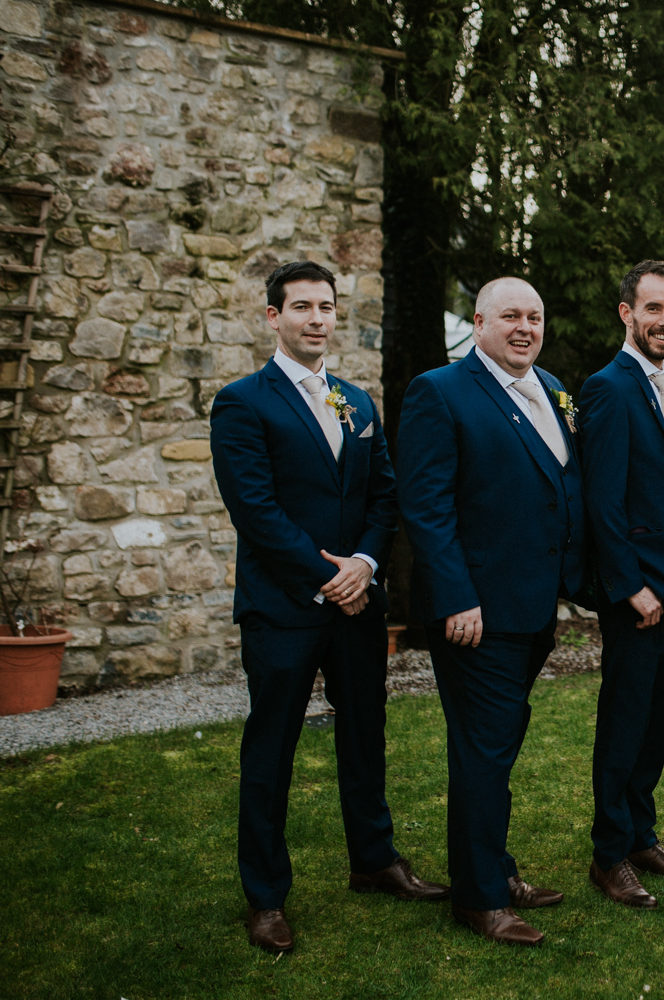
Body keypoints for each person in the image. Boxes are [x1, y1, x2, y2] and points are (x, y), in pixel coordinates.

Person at [211, 260, 448, 955]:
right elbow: (256, 512)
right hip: (284, 608)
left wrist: (366, 567)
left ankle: (374, 860)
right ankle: (264, 896)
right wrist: (327, 575)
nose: (318, 318)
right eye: (303, 307)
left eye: (327, 307)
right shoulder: (242, 403)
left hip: (356, 607)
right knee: (272, 751)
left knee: (364, 737)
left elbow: (384, 494)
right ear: (272, 318)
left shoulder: (358, 401)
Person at [395, 277, 587, 947]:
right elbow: (427, 506)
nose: (525, 327)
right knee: (483, 750)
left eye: (535, 316)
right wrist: (455, 597)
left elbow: (560, 486)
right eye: (511, 315)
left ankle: (496, 868)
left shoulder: (552, 389)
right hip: (475, 613)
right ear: (478, 322)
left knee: (496, 746)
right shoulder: (439, 393)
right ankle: (480, 898)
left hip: (533, 609)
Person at [578, 260, 664, 909]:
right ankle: (608, 854)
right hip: (638, 595)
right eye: (653, 309)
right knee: (625, 721)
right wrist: (631, 585)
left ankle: (641, 835)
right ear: (627, 313)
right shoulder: (608, 387)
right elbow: (603, 500)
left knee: (656, 722)